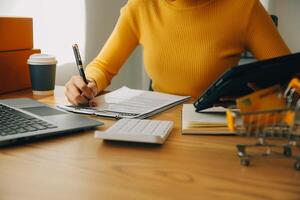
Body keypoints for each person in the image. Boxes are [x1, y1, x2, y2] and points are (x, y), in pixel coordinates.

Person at [65, 0, 290, 106]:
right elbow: (103, 67)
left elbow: (290, 77)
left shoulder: (245, 7)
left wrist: (257, 97)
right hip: (158, 125)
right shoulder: (141, 6)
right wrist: (89, 83)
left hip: (214, 127)